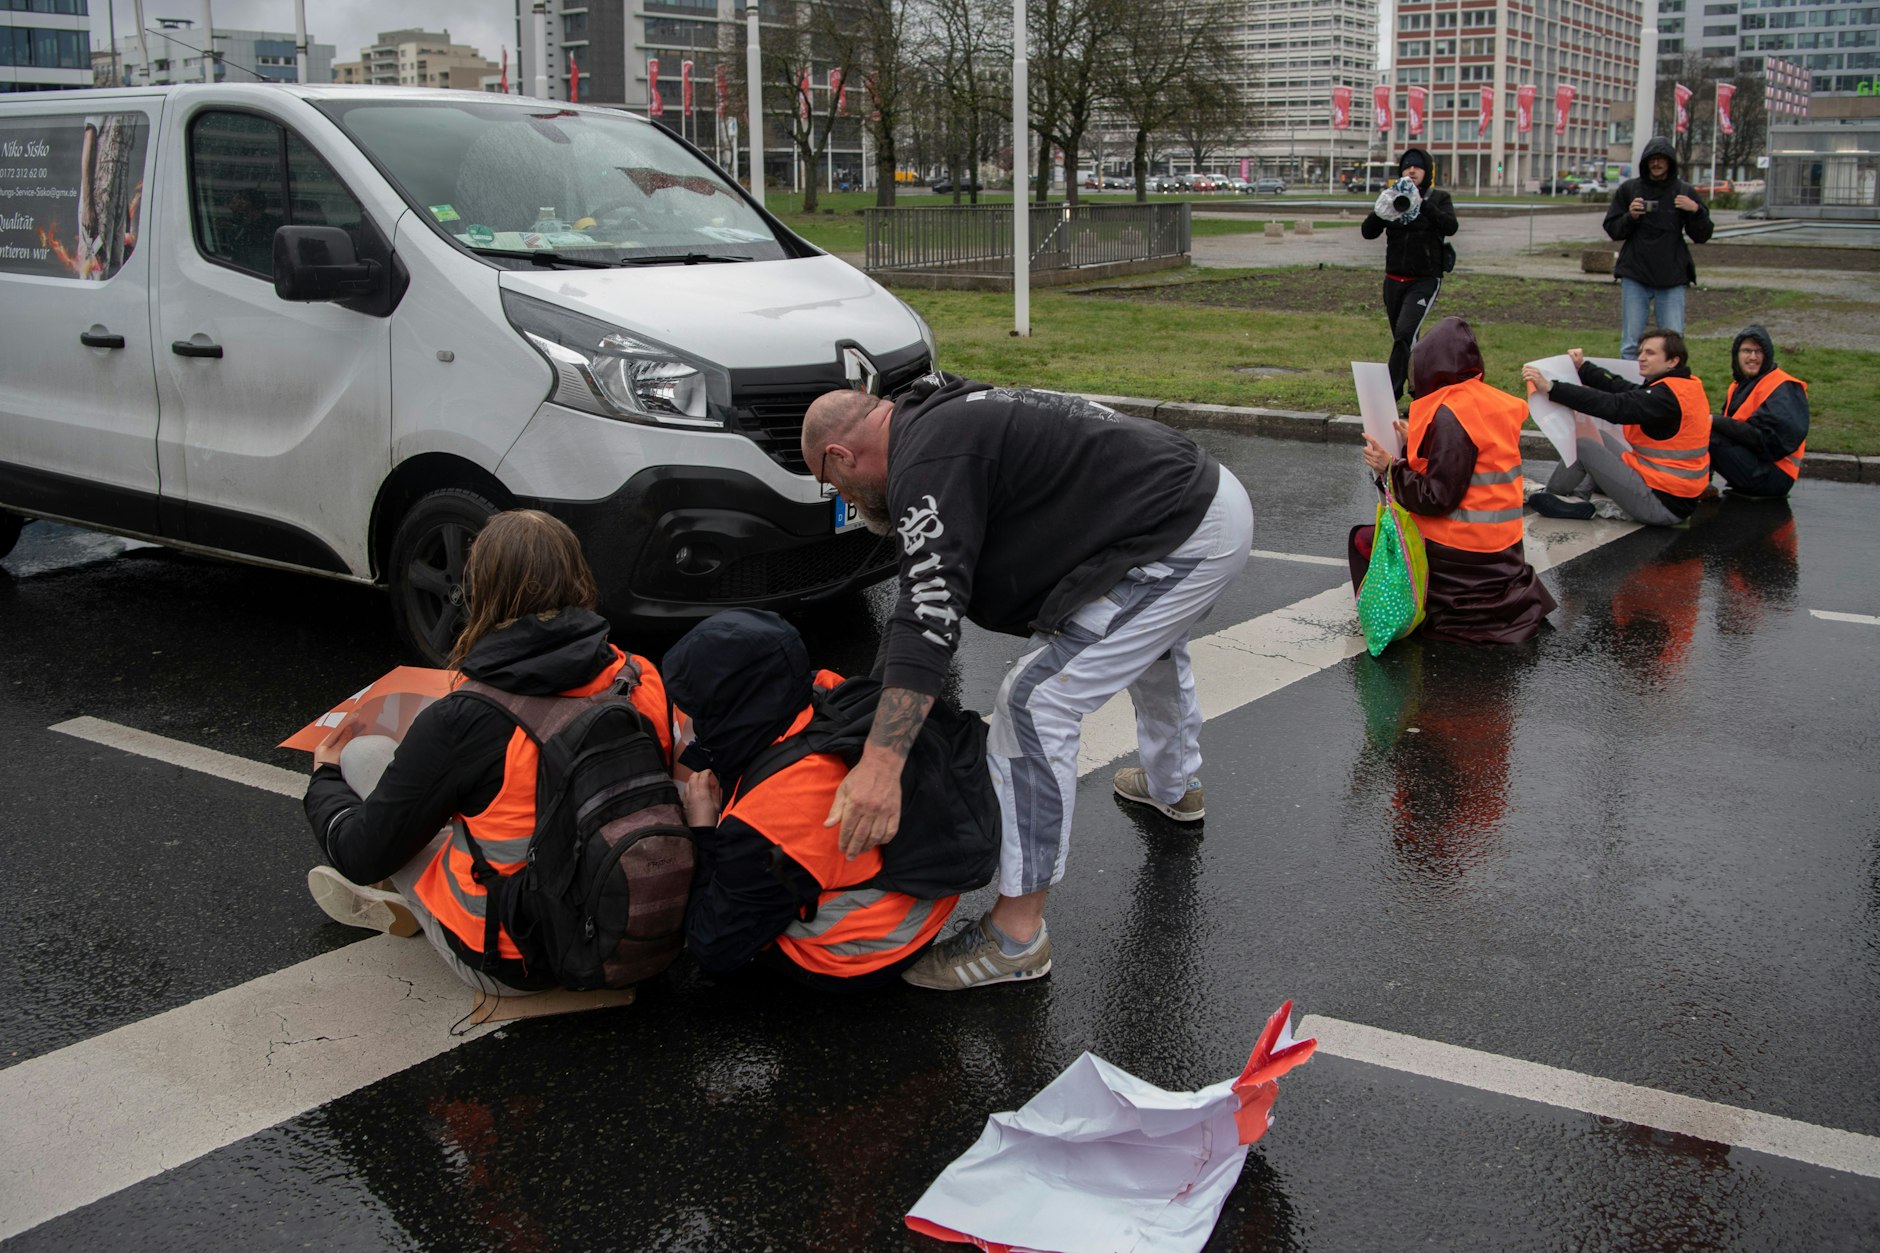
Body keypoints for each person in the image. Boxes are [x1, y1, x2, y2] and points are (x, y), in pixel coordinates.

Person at [800, 375, 1253, 991]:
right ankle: (1173, 785)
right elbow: (930, 593)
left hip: (1181, 531)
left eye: (837, 487)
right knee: (1142, 643)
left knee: (1036, 704)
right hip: (1187, 502)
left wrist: (880, 765)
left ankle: (1017, 936)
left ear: (839, 457)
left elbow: (928, 613)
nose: (848, 499)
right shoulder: (935, 416)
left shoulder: (927, 459)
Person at [302, 510, 674, 995]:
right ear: (579, 578)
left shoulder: (465, 719)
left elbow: (359, 854)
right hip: (637, 923)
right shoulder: (639, 675)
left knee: (365, 756)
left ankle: (418, 905)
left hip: (519, 961)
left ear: (481, 593)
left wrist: (324, 779)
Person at [666, 609, 961, 991]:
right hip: (921, 897)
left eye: (702, 709)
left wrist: (703, 829)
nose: (695, 721)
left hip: (871, 946)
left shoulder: (771, 818)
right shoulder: (827, 691)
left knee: (734, 922)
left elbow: (713, 947)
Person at [1356, 316, 1556, 645]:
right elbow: (1472, 464)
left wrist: (1390, 468)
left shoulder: (1449, 414)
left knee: (1370, 543)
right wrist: (1415, 445)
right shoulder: (1489, 401)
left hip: (1460, 551)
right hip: (1502, 546)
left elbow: (1436, 497)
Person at [1522, 329, 1712, 527]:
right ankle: (1576, 499)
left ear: (1672, 361)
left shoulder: (1664, 397)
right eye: (1641, 352)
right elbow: (1625, 389)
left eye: (1650, 353)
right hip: (1669, 494)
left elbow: (1614, 406)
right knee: (1599, 438)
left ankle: (1553, 497)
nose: (1641, 358)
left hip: (1661, 505)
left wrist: (1551, 388)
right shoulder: (1684, 387)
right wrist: (1583, 368)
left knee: (1584, 446)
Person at [1360, 147, 1459, 403]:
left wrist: (1422, 204)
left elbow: (1451, 226)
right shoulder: (1392, 200)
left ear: (1427, 171)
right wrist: (1382, 210)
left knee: (1405, 334)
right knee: (1405, 340)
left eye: (1417, 166)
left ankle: (1388, 396)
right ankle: (1422, 395)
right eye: (1406, 166)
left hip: (1425, 280)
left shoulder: (1439, 199)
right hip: (1393, 279)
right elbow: (1368, 233)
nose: (1411, 170)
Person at [1605, 137, 1713, 361]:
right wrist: (1631, 217)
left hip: (1672, 277)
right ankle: (1630, 391)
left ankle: (1672, 389)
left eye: (1661, 160)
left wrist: (1696, 211)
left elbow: (1702, 235)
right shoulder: (1630, 189)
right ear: (1645, 163)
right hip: (1635, 273)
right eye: (1652, 160)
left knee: (1673, 343)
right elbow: (1613, 230)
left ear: (1670, 163)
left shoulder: (1684, 191)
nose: (1656, 164)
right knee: (1631, 344)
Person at [1709, 324, 1808, 499]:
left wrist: (1717, 421)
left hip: (1774, 475)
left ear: (1767, 355)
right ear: (1736, 355)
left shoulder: (1783, 386)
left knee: (1707, 431)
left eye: (1758, 351)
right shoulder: (1738, 386)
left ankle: (1691, 488)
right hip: (1759, 468)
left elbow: (1770, 441)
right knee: (1703, 428)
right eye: (1747, 351)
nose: (1753, 357)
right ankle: (1700, 486)